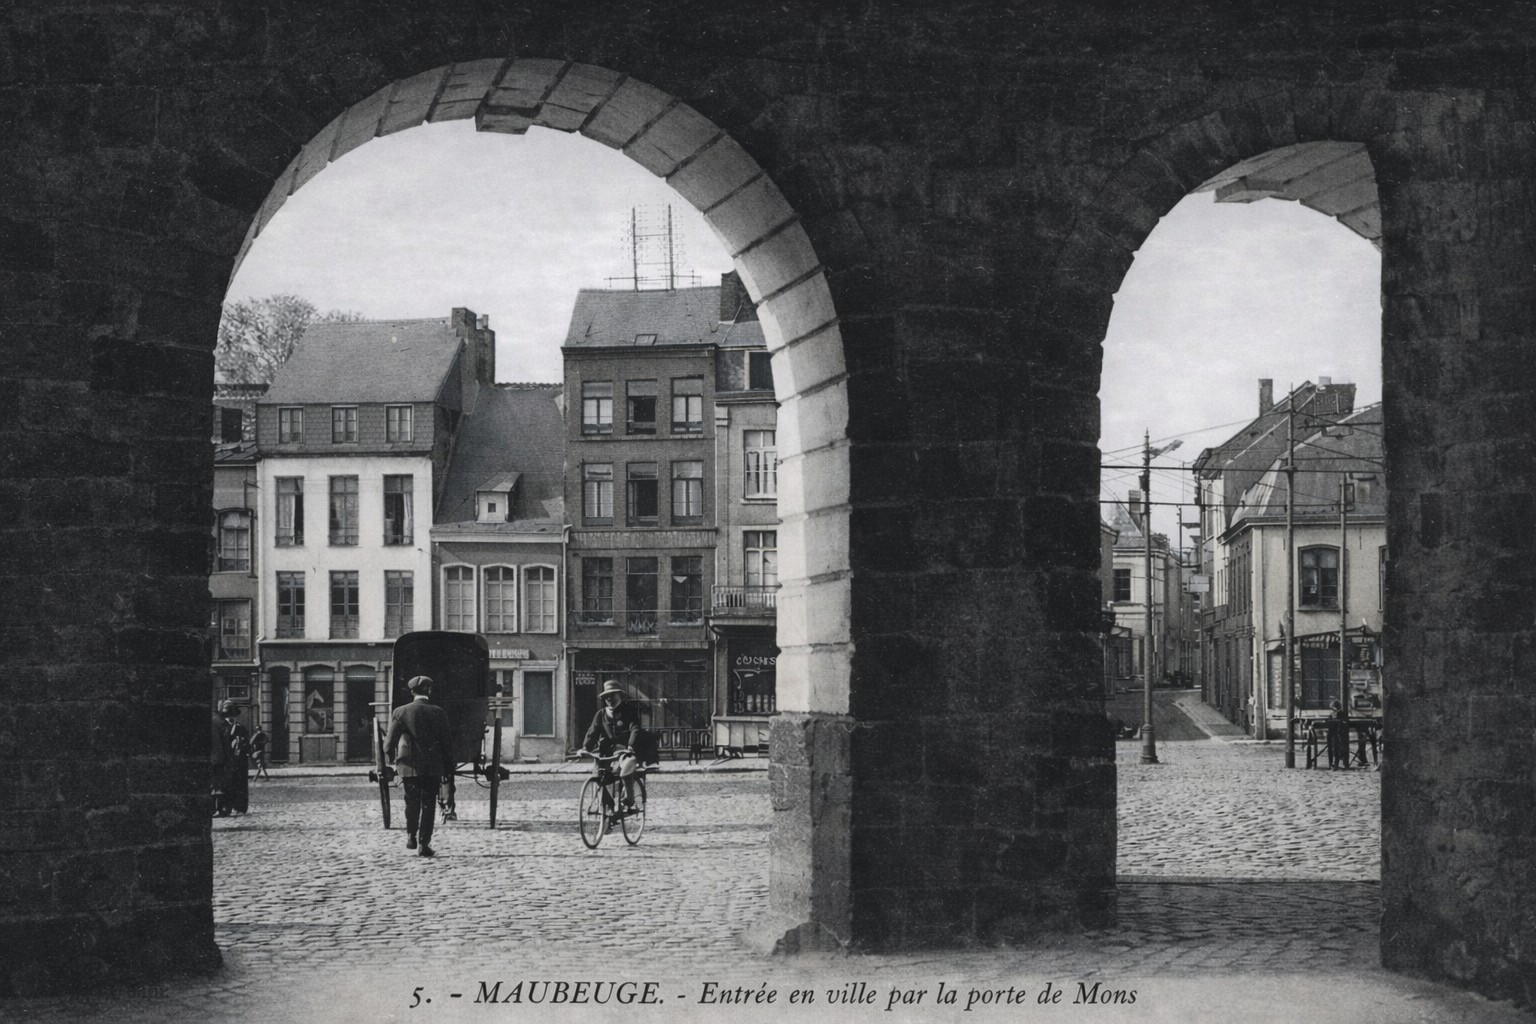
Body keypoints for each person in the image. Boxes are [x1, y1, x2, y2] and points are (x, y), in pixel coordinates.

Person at [385, 675, 456, 857]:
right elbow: (447, 744)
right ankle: (424, 844)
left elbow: (388, 744)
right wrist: (448, 768)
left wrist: (393, 760)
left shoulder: (400, 712)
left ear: (411, 692)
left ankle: (410, 835)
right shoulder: (439, 712)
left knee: (411, 801)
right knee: (428, 804)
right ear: (429, 691)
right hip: (432, 767)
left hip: (409, 766)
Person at [581, 680, 661, 812]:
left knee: (626, 769)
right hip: (607, 752)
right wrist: (585, 748)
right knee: (598, 776)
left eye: (612, 695)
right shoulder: (601, 714)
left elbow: (635, 728)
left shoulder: (629, 711)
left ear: (620, 695)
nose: (609, 699)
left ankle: (629, 797)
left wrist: (631, 745)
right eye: (606, 696)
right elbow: (593, 732)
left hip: (626, 750)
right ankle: (607, 808)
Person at [219, 700, 251, 813]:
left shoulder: (241, 729)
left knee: (241, 784)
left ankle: (240, 807)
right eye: (228, 715)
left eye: (233, 715)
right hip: (227, 761)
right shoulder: (221, 727)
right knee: (227, 784)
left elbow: (248, 744)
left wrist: (243, 746)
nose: (231, 718)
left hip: (240, 761)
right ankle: (226, 807)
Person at [211, 704, 232, 817]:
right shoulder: (220, 722)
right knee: (219, 785)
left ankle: (211, 809)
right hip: (219, 758)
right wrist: (229, 759)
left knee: (211, 784)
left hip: (208, 759)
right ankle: (220, 809)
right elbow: (226, 743)